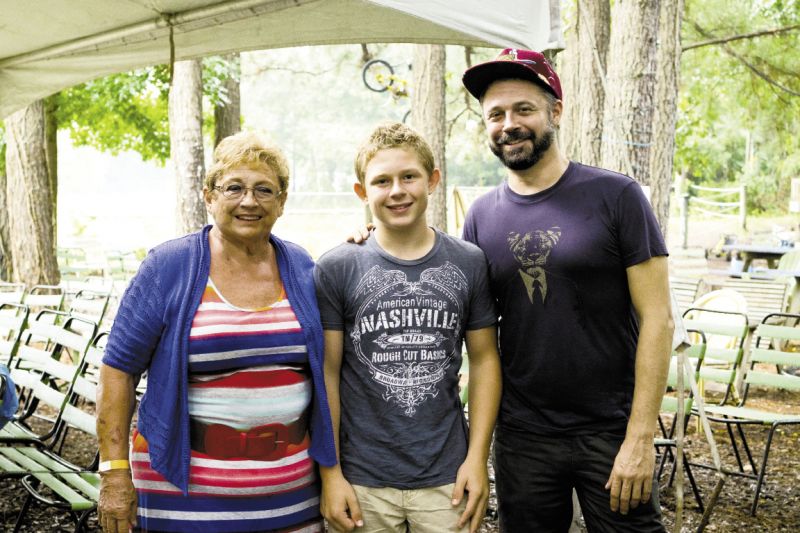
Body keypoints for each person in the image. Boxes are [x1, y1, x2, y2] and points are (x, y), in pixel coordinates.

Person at [459, 48, 674, 532]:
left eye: (523, 109)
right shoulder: (481, 216)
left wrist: (640, 437)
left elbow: (658, 318)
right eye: (495, 114)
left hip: (610, 431)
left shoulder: (617, 196)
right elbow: (474, 330)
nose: (508, 124)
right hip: (522, 437)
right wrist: (369, 242)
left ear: (556, 112)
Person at [96, 131, 336, 533]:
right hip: (183, 492)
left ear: (281, 202)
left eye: (264, 190)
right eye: (234, 188)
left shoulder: (300, 264)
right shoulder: (169, 266)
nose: (249, 201)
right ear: (209, 196)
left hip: (292, 493)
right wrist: (114, 473)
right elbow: (117, 372)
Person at [315, 122, 502, 533]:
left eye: (409, 176)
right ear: (362, 192)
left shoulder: (469, 261)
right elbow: (327, 372)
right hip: (362, 478)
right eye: (381, 181)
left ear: (432, 180)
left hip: (447, 475)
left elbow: (486, 359)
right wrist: (331, 474)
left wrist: (477, 458)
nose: (397, 190)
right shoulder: (338, 266)